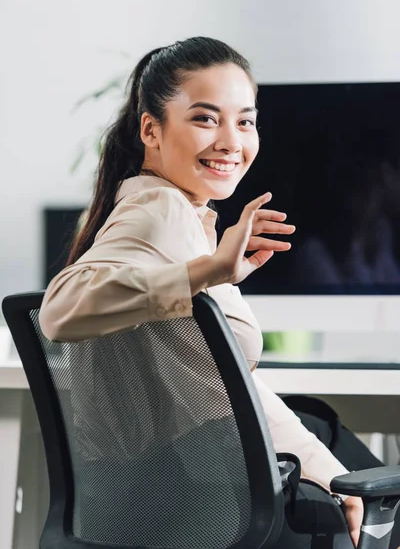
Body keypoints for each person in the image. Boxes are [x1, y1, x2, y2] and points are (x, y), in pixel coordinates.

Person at [39, 37, 399, 548]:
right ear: (151, 130)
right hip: (206, 504)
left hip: (176, 494)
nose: (232, 141)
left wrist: (328, 471)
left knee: (323, 426)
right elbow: (59, 309)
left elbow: (226, 391)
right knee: (376, 491)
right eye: (206, 118)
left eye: (245, 120)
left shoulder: (180, 216)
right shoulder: (157, 213)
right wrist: (204, 270)